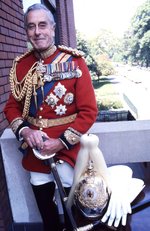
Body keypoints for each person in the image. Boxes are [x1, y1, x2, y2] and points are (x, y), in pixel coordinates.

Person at [4, 3, 98, 231]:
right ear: (26, 31)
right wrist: (26, 131)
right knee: (47, 213)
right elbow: (11, 108)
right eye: (31, 26)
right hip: (35, 152)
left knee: (78, 213)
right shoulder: (21, 65)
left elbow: (89, 111)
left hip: (68, 151)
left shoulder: (74, 61)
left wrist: (61, 141)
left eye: (42, 25)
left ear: (53, 28)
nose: (37, 32)